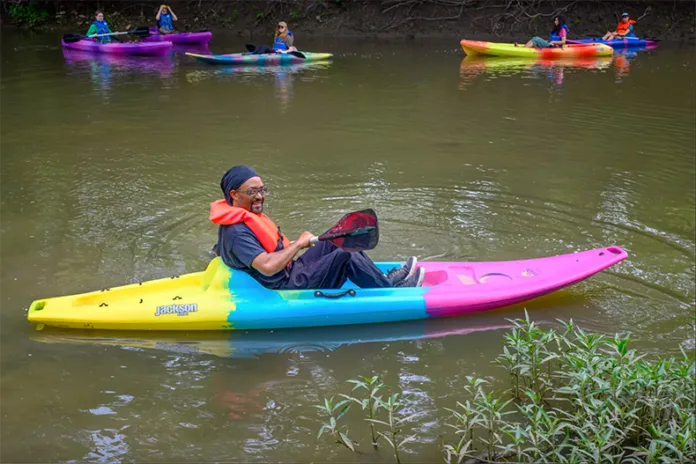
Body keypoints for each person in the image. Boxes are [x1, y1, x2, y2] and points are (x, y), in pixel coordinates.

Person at [210, 166, 425, 290]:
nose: (259, 197)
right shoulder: (237, 232)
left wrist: (296, 245)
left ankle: (381, 279)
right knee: (345, 256)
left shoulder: (244, 218)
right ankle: (389, 291)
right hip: (286, 285)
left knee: (337, 240)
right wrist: (298, 245)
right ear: (234, 194)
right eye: (252, 192)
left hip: (290, 270)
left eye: (262, 190)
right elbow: (267, 267)